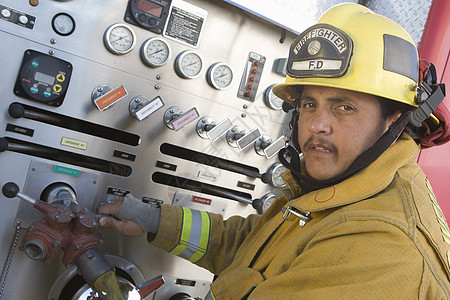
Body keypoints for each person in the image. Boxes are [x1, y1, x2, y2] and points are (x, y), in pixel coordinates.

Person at [98, 3, 450, 299]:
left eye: (344, 107)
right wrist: (153, 219)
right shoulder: (339, 194)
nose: (316, 125)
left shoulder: (380, 251)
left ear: (394, 119)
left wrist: (104, 280)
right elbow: (254, 249)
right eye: (310, 104)